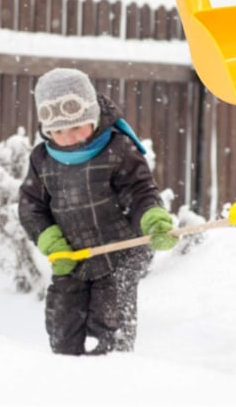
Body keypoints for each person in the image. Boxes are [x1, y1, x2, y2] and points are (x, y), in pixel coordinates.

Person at [18, 67, 177, 356]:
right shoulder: (41, 159)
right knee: (62, 324)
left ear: (93, 118)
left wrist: (152, 219)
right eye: (58, 131)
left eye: (77, 126)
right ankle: (65, 378)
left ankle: (110, 376)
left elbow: (140, 192)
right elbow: (31, 207)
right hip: (72, 258)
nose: (68, 137)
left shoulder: (119, 149)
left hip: (119, 254)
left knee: (111, 321)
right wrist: (52, 242)